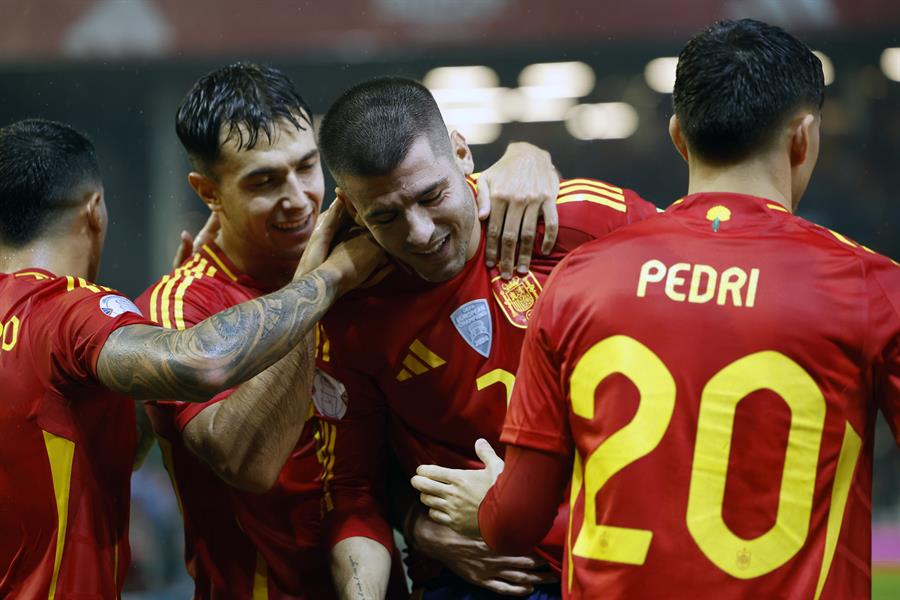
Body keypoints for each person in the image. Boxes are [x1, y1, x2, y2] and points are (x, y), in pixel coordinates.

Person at [418, 19, 900, 599]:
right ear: (804, 137)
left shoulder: (580, 277)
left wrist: (486, 510)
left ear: (677, 135)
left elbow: (514, 519)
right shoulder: (874, 287)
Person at [137, 62, 564, 600]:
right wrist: (326, 281)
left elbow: (375, 453)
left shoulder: (389, 254)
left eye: (307, 167)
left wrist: (528, 159)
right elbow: (248, 462)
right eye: (264, 181)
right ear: (208, 192)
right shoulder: (184, 304)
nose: (298, 198)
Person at [0, 118, 378, 598]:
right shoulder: (67, 309)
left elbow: (106, 450)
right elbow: (203, 364)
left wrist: (153, 333)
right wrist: (325, 279)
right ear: (96, 211)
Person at [313, 76, 659, 599]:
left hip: (615, 555)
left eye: (432, 195)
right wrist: (422, 530)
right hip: (469, 582)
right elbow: (353, 490)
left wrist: (508, 513)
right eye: (385, 216)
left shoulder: (585, 221)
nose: (421, 233)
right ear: (353, 209)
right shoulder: (353, 311)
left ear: (462, 152)